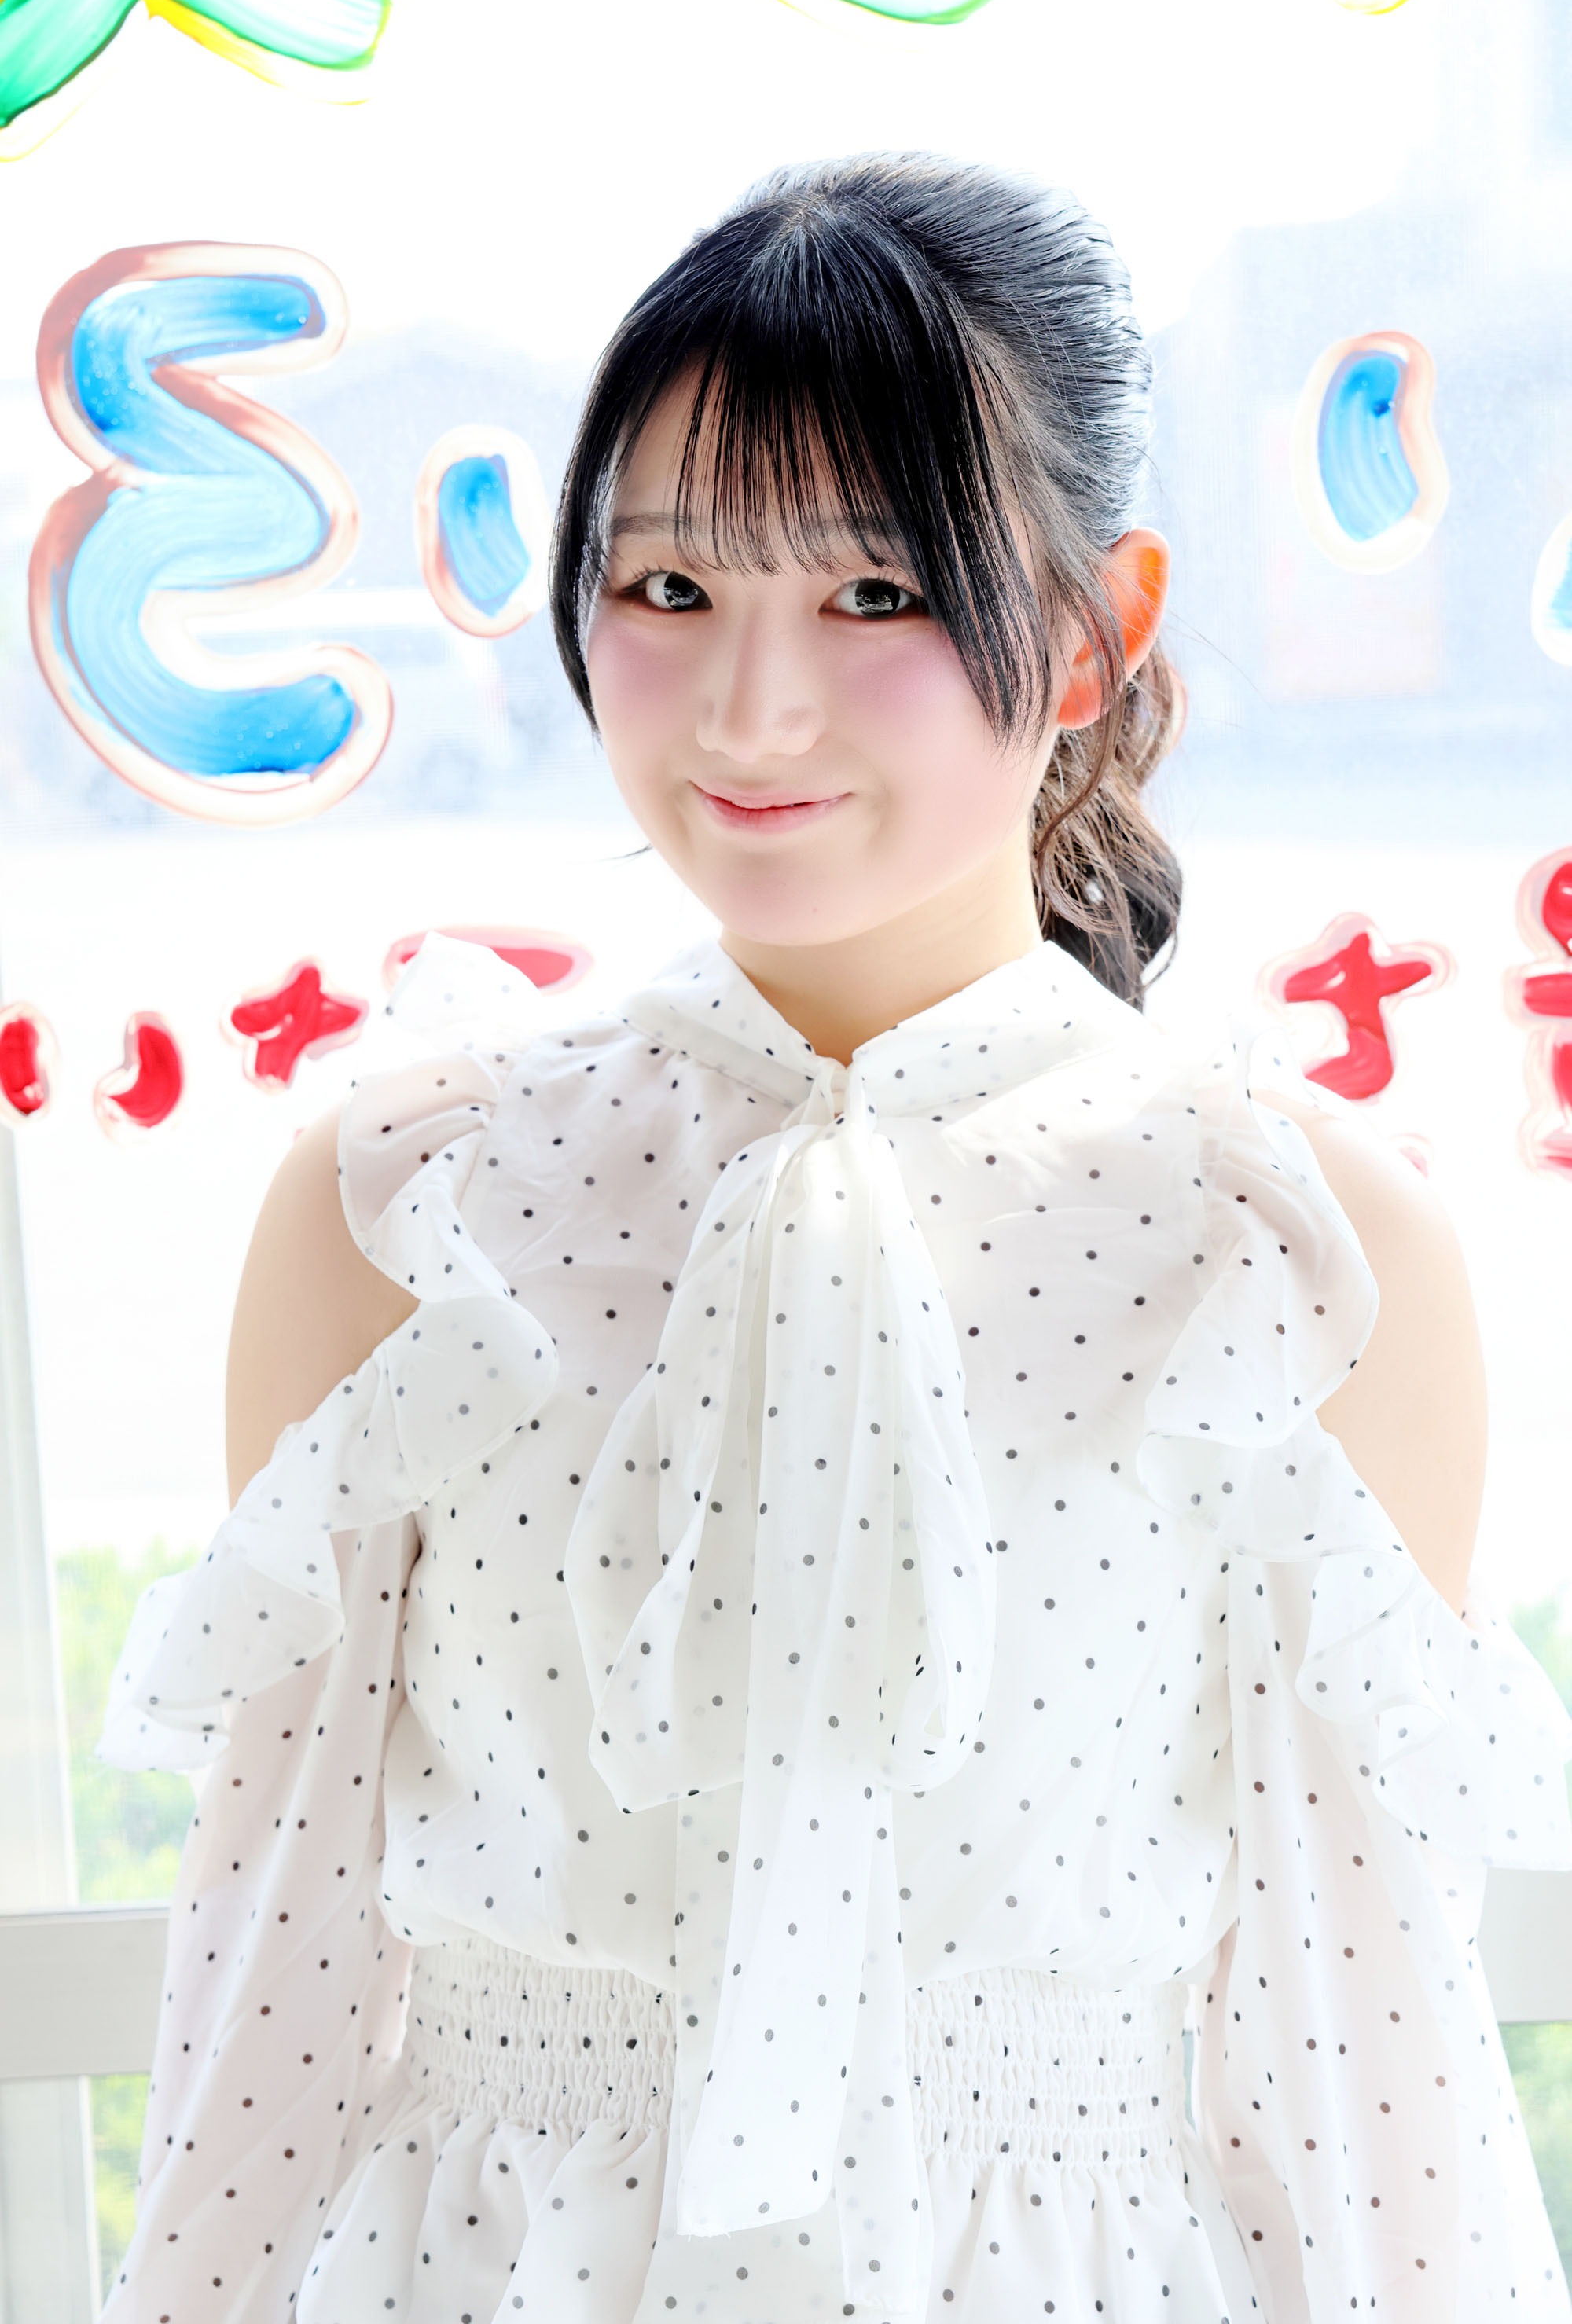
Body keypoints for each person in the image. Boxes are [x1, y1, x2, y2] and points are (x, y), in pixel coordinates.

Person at [97, 152, 1572, 2324]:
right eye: (669, 586)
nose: (749, 708)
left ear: (1093, 630)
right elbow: (271, 1995)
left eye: (874, 590)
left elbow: (1364, 2055)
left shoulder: (1297, 1256)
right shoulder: (405, 1208)